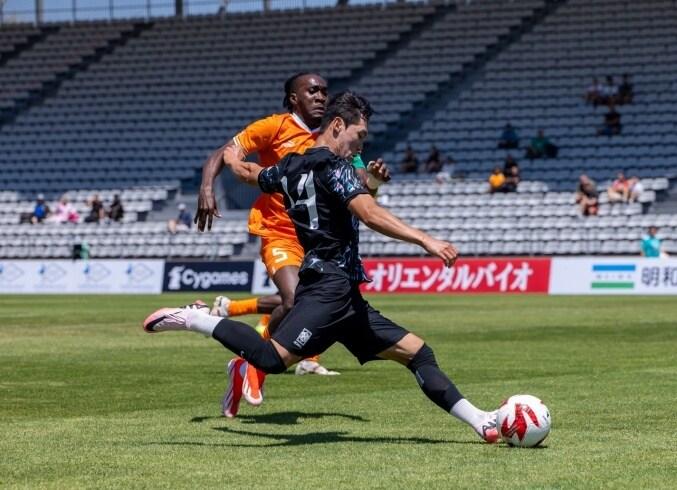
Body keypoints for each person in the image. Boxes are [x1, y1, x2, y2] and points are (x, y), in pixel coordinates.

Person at [143, 91, 500, 444]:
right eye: (358, 136)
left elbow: (252, 174)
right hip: (328, 289)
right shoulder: (335, 168)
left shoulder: (289, 166)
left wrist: (233, 160)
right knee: (269, 359)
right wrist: (427, 240)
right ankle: (193, 318)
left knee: (419, 354)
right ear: (338, 125)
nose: (360, 147)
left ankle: (480, 420)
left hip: (345, 297)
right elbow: (369, 212)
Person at [193, 72, 389, 417]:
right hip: (278, 230)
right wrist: (208, 187)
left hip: (319, 241)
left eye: (324, 91)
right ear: (293, 98)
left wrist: (372, 178)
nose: (320, 96)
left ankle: (247, 361)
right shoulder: (275, 126)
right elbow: (226, 153)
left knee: (308, 311)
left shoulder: (338, 133)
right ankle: (250, 360)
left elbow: (361, 188)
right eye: (312, 90)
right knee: (295, 298)